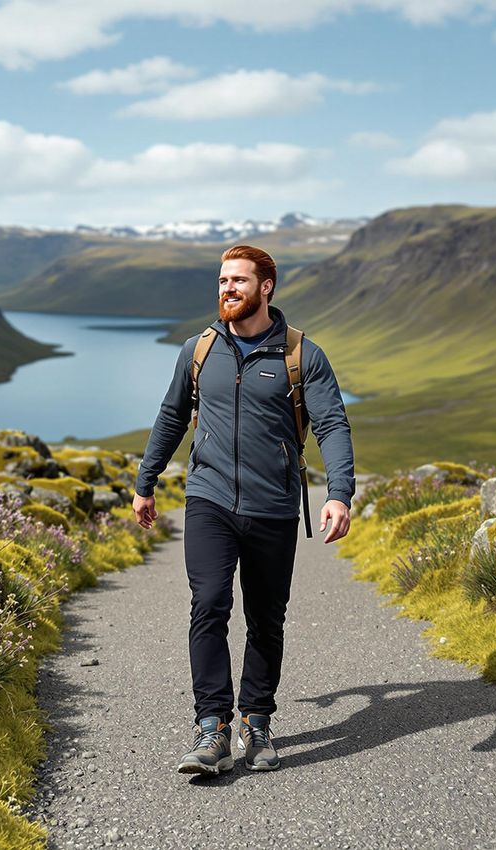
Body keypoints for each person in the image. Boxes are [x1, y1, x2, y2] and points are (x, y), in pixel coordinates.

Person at [131, 244, 355, 777]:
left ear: (266, 287)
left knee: (265, 618)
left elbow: (332, 425)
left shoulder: (302, 355)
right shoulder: (199, 349)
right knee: (208, 604)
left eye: (238, 281)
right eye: (222, 280)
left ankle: (256, 720)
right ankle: (211, 727)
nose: (227, 289)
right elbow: (170, 416)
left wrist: (340, 493)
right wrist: (146, 482)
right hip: (208, 498)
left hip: (274, 504)